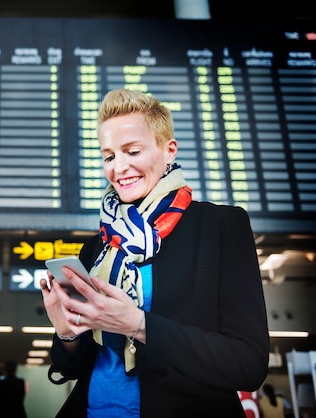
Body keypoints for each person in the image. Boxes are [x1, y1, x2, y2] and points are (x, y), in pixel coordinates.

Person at [40, 89, 270, 418]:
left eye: (132, 151)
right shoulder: (99, 244)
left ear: (168, 150)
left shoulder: (219, 226)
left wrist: (139, 325)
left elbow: (247, 363)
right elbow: (73, 366)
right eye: (108, 156)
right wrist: (67, 331)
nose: (119, 167)